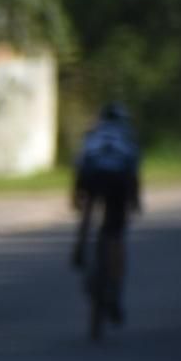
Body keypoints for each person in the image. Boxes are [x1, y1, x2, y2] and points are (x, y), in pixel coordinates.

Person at [71, 102, 142, 324]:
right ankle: (115, 292)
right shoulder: (127, 135)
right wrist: (135, 201)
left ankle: (81, 244)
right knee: (116, 234)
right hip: (118, 179)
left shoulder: (93, 133)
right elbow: (132, 171)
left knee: (88, 204)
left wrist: (74, 195)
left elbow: (80, 163)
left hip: (91, 174)